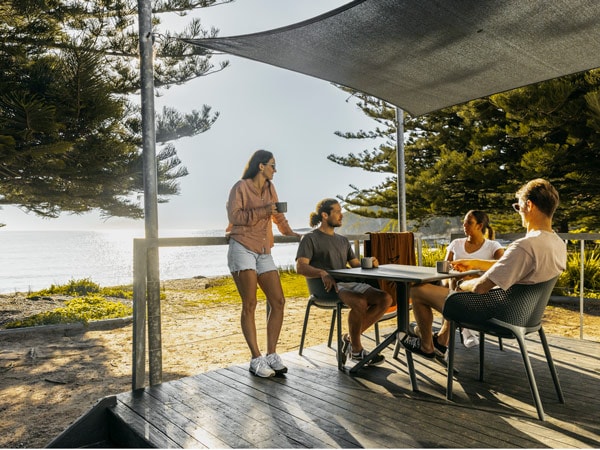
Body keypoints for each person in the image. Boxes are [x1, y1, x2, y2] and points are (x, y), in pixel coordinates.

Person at [401, 178, 567, 359]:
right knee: (453, 296)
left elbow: (480, 288)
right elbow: (514, 267)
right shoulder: (557, 244)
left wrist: (462, 284)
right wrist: (476, 264)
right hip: (525, 316)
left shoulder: (525, 245)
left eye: (518, 207)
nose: (518, 212)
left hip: (495, 315)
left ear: (529, 205)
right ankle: (441, 341)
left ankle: (426, 346)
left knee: (418, 291)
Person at [226, 149, 300, 377]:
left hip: (264, 250)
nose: (275, 170)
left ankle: (271, 354)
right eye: (272, 165)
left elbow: (277, 215)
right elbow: (235, 217)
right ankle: (256, 358)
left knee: (278, 301)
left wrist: (291, 233)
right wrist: (263, 211)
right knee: (250, 303)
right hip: (242, 247)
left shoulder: (270, 188)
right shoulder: (240, 187)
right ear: (260, 166)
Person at [295, 198, 393, 365]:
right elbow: (300, 267)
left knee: (385, 299)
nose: (341, 216)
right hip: (327, 287)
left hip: (347, 283)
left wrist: (371, 263)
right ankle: (356, 350)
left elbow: (355, 265)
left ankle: (348, 338)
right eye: (337, 212)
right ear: (325, 215)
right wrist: (322, 273)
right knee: (360, 302)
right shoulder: (310, 238)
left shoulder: (342, 240)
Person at [425, 210, 505, 354]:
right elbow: (445, 266)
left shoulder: (493, 246)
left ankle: (439, 338)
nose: (464, 224)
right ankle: (460, 333)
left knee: (455, 288)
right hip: (452, 286)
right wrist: (454, 270)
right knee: (452, 282)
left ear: (479, 226)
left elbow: (502, 265)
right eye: (464, 221)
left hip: (479, 293)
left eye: (469, 222)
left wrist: (474, 270)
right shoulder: (456, 243)